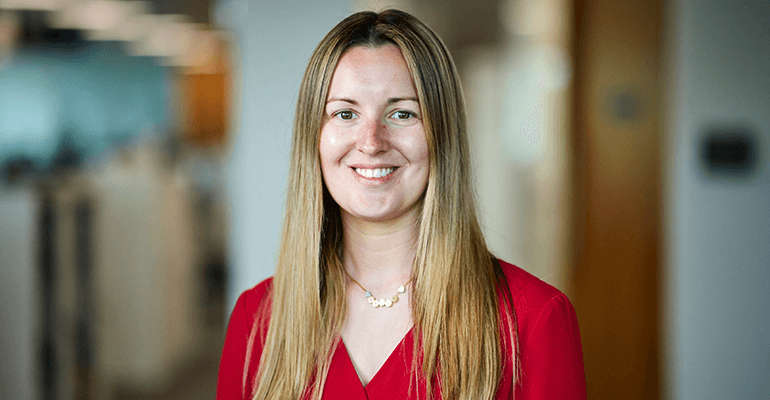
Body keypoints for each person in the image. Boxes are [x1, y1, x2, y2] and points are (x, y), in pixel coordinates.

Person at [217, 9, 586, 400]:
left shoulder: (532, 320)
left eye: (402, 113)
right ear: (314, 138)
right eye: (345, 113)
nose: (372, 141)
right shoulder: (257, 320)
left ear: (441, 135)